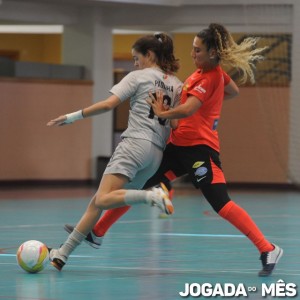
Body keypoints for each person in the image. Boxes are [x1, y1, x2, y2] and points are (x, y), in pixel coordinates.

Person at [67, 23, 283, 277]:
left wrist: (164, 112)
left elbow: (189, 109)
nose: (193, 54)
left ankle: (268, 248)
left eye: (198, 50)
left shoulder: (208, 76)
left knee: (221, 203)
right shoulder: (211, 74)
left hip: (200, 150)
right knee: (140, 184)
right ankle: (98, 232)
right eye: (193, 49)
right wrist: (212, 104)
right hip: (177, 146)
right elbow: (232, 92)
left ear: (213, 53)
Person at [46, 32, 183, 271]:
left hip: (134, 145)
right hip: (155, 154)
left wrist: (73, 116)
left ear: (149, 55)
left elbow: (108, 104)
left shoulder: (139, 76)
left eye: (136, 57)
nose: (134, 63)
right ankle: (62, 255)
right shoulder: (176, 84)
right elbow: (175, 124)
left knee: (102, 198)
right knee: (98, 202)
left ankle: (152, 196)